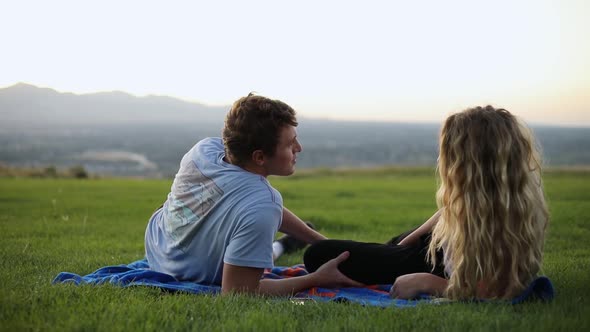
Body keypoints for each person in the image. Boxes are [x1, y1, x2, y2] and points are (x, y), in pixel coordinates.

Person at [304, 106, 549, 300]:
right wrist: (410, 240)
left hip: (428, 263)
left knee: (319, 255)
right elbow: (450, 210)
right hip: (426, 250)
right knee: (392, 245)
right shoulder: (490, 202)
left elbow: (493, 292)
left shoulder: (501, 226)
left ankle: (291, 244)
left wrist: (427, 282)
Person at [144, 93, 361, 296]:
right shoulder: (263, 204)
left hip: (157, 247)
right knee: (250, 243)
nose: (299, 148)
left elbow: (259, 206)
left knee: (241, 225)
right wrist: (316, 278)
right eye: (289, 143)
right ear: (259, 157)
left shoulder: (204, 150)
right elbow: (237, 291)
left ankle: (284, 245)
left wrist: (322, 243)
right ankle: (281, 246)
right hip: (188, 274)